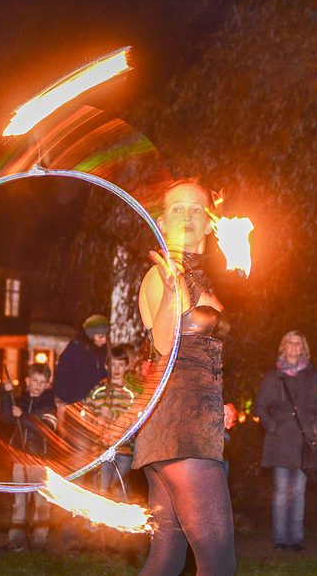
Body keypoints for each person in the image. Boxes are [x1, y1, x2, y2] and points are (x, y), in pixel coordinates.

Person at [132, 180, 236, 575]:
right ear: (161, 221)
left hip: (184, 420)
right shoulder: (163, 273)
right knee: (218, 561)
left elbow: (196, 354)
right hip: (181, 428)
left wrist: (219, 400)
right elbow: (164, 342)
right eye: (177, 209)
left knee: (166, 557)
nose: (188, 216)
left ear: (211, 223)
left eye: (196, 209)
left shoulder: (197, 275)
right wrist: (174, 282)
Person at [255, 331, 317, 552]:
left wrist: (315, 429)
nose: (294, 347)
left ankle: (296, 539)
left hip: (304, 443)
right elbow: (260, 407)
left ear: (304, 348)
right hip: (280, 443)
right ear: (283, 347)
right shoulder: (273, 377)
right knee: (281, 491)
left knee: (299, 492)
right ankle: (279, 539)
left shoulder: (312, 376)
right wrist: (273, 427)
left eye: (298, 343)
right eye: (290, 343)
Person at [0, 362, 57, 552]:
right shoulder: (20, 401)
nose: (38, 385)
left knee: (41, 501)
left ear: (47, 384)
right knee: (19, 501)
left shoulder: (49, 405)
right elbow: (5, 418)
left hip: (39, 460)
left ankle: (39, 541)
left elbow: (46, 429)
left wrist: (23, 416)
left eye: (42, 381)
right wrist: (6, 395)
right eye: (35, 380)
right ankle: (16, 539)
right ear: (27, 380)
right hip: (19, 459)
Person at [85, 343, 137, 499]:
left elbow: (135, 424)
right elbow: (87, 417)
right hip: (102, 450)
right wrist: (98, 419)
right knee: (101, 490)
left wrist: (122, 423)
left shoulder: (131, 396)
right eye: (113, 365)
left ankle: (118, 522)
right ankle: (95, 523)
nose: (117, 369)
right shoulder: (97, 392)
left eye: (120, 365)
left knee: (118, 490)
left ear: (127, 366)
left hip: (124, 451)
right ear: (107, 366)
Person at [52, 315, 109, 405]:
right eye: (101, 336)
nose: (104, 340)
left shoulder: (97, 353)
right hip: (78, 406)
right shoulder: (74, 353)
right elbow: (63, 385)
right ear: (90, 335)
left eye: (106, 336)